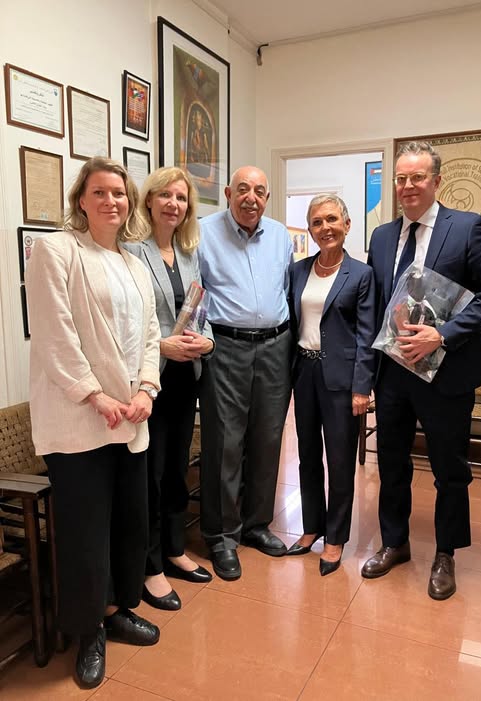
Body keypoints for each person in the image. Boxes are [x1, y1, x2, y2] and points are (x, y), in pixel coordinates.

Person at [26, 157, 162, 689]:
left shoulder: (134, 264)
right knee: (85, 532)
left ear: (130, 203)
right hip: (80, 420)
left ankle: (115, 610)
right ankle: (88, 633)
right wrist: (95, 395)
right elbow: (54, 334)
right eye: (99, 192)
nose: (111, 201)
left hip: (131, 417)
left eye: (119, 193)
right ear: (81, 200)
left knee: (129, 522)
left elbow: (150, 334)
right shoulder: (57, 250)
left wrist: (147, 387)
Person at [361, 142, 481, 600]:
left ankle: (445, 553)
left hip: (448, 373)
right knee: (392, 462)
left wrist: (441, 335)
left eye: (417, 177)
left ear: (436, 181)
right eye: (401, 178)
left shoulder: (467, 228)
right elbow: (377, 303)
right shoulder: (382, 236)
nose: (408, 186)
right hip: (394, 372)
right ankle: (395, 542)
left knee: (449, 469)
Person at [124, 166, 214, 611]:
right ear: (149, 200)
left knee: (177, 469)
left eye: (181, 198)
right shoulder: (131, 250)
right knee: (152, 475)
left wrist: (207, 341)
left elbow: (202, 309)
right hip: (150, 380)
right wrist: (163, 345)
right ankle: (150, 565)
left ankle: (176, 548)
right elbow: (127, 324)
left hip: (185, 378)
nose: (173, 204)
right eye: (165, 196)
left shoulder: (189, 253)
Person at [198, 166, 293, 580]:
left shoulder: (281, 236)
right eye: (242, 189)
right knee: (225, 442)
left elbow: (286, 289)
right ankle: (221, 536)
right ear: (227, 193)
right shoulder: (203, 233)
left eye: (258, 191)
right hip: (226, 346)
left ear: (266, 198)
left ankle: (256, 525)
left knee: (268, 439)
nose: (250, 198)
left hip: (275, 346)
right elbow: (195, 294)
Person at [287, 194, 375, 576]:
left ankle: (335, 536)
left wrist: (362, 386)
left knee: (339, 461)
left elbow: (367, 334)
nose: (325, 227)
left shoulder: (361, 275)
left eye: (332, 219)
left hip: (341, 380)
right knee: (307, 455)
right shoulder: (298, 271)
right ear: (310, 230)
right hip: (304, 373)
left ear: (347, 224)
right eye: (317, 222)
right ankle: (312, 527)